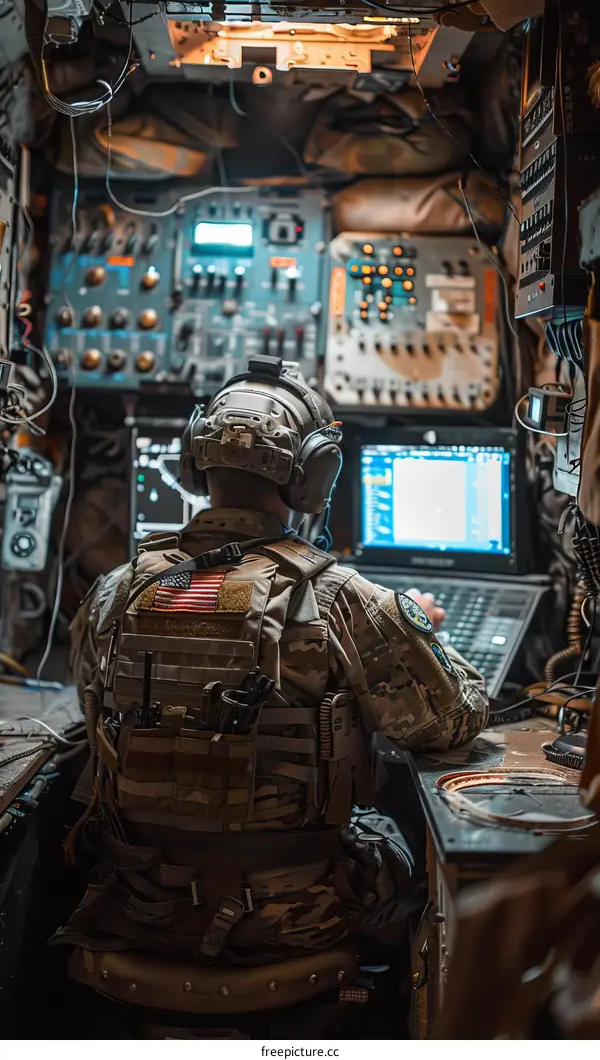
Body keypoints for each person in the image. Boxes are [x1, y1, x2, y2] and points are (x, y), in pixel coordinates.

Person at [57, 356, 488, 1029]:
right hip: (295, 929)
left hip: (140, 911)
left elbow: (90, 709)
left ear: (199, 467)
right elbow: (453, 720)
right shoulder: (342, 597)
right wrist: (420, 630)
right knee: (401, 839)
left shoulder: (119, 590)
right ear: (312, 475)